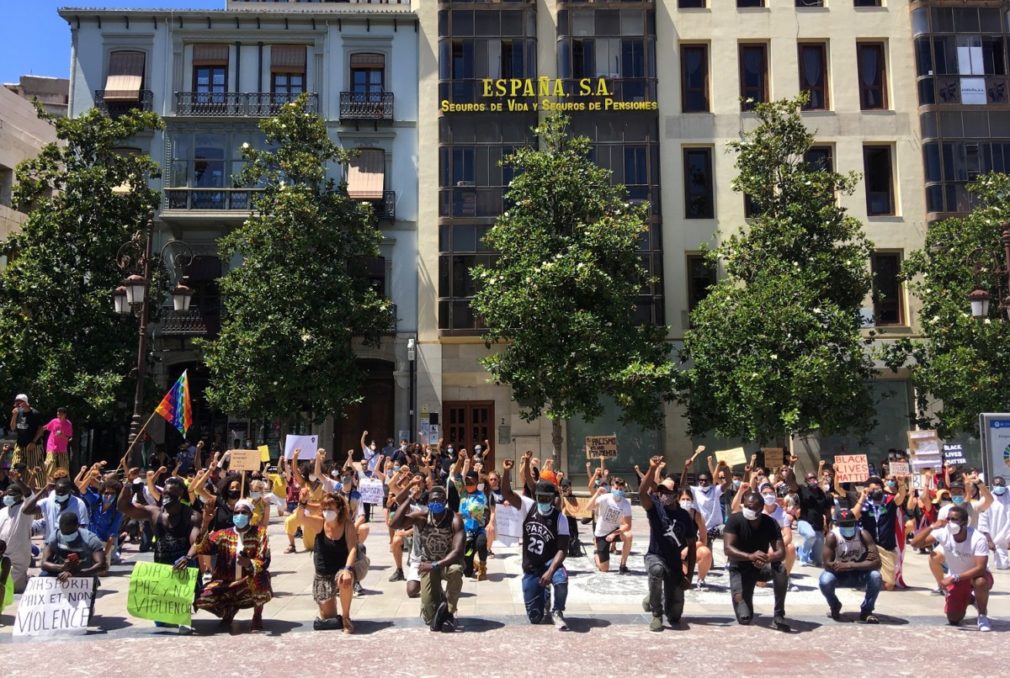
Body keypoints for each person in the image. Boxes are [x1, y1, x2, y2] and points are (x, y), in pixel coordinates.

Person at [499, 459, 569, 630]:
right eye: (540, 498)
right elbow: (507, 494)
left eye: (547, 498)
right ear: (536, 498)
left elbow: (562, 549)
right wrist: (507, 472)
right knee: (535, 618)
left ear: (553, 499)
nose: (543, 501)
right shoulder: (528, 506)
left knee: (561, 579)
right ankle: (543, 597)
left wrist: (550, 571)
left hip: (549, 562)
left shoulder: (560, 518)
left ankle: (557, 611)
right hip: (531, 565)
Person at [391, 479, 465, 632]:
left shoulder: (455, 519)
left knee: (456, 570)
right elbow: (395, 523)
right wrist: (410, 498)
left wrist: (436, 565)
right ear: (428, 501)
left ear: (445, 501)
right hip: (427, 564)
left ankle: (449, 611)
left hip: (446, 563)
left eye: (439, 499)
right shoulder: (422, 517)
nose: (436, 502)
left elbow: (457, 550)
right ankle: (438, 605)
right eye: (433, 500)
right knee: (430, 617)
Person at [910, 505, 993, 631]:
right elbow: (915, 544)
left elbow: (980, 568)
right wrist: (932, 527)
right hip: (957, 579)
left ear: (964, 522)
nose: (950, 522)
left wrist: (953, 578)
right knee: (954, 618)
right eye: (948, 519)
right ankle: (970, 599)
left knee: (980, 581)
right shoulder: (943, 532)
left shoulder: (977, 538)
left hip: (974, 576)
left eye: (954, 519)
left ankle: (982, 615)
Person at [194, 499, 272, 632]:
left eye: (244, 512)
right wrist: (205, 523)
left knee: (261, 580)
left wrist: (249, 564)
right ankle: (228, 612)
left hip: (247, 582)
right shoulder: (223, 534)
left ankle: (257, 615)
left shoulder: (260, 533)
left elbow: (264, 559)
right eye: (237, 512)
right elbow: (202, 548)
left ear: (251, 515)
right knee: (201, 598)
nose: (239, 515)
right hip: (225, 582)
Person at [639, 457, 694, 631]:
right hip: (655, 556)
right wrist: (651, 468)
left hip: (675, 563)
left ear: (676, 494)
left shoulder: (685, 516)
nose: (663, 494)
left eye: (667, 491)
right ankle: (656, 613)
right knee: (657, 570)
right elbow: (642, 493)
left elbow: (692, 546)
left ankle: (653, 596)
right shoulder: (655, 507)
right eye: (660, 490)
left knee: (676, 615)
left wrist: (689, 576)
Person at [723, 491, 790, 631]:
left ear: (760, 509)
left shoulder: (770, 522)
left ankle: (779, 615)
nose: (747, 509)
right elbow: (728, 549)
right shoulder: (734, 520)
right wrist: (750, 556)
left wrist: (766, 558)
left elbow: (781, 552)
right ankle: (744, 599)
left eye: (751, 507)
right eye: (746, 505)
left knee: (781, 569)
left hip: (761, 566)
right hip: (739, 568)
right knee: (745, 618)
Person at [296, 490, 357, 633]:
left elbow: (353, 548)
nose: (327, 512)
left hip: (341, 569)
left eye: (330, 508)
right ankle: (334, 611)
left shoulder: (347, 525)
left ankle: (346, 618)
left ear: (339, 509)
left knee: (344, 580)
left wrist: (347, 569)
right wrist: (302, 503)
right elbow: (301, 519)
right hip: (323, 573)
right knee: (328, 617)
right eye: (324, 509)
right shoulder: (320, 523)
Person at [39, 511, 106, 622]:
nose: (66, 535)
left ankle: (89, 605)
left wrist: (74, 574)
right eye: (63, 532)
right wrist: (61, 568)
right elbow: (44, 563)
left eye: (69, 532)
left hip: (85, 574)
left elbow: (102, 565)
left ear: (77, 526)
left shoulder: (90, 539)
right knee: (43, 575)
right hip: (61, 571)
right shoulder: (55, 535)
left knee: (83, 620)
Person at [819, 508, 882, 624]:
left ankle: (867, 610)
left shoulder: (863, 534)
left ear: (855, 522)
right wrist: (863, 563)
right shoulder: (832, 536)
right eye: (844, 524)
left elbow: (877, 562)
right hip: (839, 575)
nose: (848, 527)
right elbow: (826, 563)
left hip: (859, 574)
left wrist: (849, 565)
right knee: (825, 580)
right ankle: (834, 605)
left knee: (875, 576)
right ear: (837, 524)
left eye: (850, 523)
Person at [852, 475, 907, 591]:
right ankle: (868, 580)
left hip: (886, 546)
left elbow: (901, 497)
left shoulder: (889, 501)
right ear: (867, 489)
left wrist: (901, 484)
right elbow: (854, 516)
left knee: (889, 586)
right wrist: (862, 497)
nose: (876, 491)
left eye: (879, 489)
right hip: (869, 546)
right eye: (873, 489)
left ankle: (875, 583)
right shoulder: (865, 503)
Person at [680, 452, 731, 542]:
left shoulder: (715, 490)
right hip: (702, 528)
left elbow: (727, 483)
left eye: (705, 480)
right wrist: (686, 468)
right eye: (700, 480)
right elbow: (683, 485)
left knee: (731, 533)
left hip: (717, 527)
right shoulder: (695, 491)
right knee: (706, 552)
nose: (703, 482)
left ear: (710, 481)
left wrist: (725, 468)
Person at [27, 475, 89, 542]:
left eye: (62, 494)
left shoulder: (79, 504)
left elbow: (83, 527)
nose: (60, 495)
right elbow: (27, 510)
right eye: (58, 493)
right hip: (51, 544)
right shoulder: (50, 500)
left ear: (70, 491)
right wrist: (44, 490)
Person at [591, 476, 633, 573]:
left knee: (629, 535)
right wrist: (597, 493)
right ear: (611, 487)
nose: (618, 490)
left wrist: (614, 534)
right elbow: (589, 508)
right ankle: (597, 555)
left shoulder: (625, 503)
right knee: (604, 569)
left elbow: (628, 525)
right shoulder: (604, 498)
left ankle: (623, 565)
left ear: (624, 489)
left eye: (621, 489)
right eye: (616, 488)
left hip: (614, 531)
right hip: (601, 533)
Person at [0, 474, 34, 592]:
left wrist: (18, 480)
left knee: (15, 589)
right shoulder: (3, 511)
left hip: (18, 558)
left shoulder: (26, 509)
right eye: (7, 494)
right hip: (2, 556)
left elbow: (29, 494)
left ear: (20, 496)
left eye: (12, 494)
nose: (7, 497)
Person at [796, 462, 834, 566]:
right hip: (804, 522)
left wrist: (829, 526)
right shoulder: (803, 490)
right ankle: (802, 556)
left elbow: (828, 512)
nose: (813, 480)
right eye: (810, 478)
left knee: (818, 560)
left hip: (818, 526)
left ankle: (801, 550)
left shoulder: (825, 495)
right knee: (810, 535)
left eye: (814, 477)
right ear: (806, 481)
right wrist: (791, 466)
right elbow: (791, 483)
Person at [456, 469, 489, 580]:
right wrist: (461, 461)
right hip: (466, 533)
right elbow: (455, 478)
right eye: (467, 483)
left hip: (478, 530)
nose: (469, 485)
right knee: (467, 573)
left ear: (477, 483)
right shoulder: (463, 493)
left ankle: (483, 566)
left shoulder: (481, 496)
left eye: (472, 483)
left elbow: (471, 512)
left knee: (481, 543)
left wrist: (454, 515)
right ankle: (472, 563)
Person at [9, 395, 44, 488]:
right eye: (16, 402)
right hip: (20, 444)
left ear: (25, 402)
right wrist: (14, 415)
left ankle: (37, 489)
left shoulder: (35, 413)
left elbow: (40, 429)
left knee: (32, 468)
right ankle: (16, 488)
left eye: (19, 402)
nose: (17, 404)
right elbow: (12, 428)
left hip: (33, 445)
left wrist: (33, 442)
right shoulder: (17, 413)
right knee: (15, 466)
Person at [979, 475, 1010, 570]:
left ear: (1005, 485)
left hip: (1008, 533)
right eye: (997, 484)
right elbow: (982, 522)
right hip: (995, 536)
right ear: (992, 485)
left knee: (1003, 566)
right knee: (999, 566)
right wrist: (989, 540)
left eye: (1001, 484)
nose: (999, 486)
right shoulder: (986, 499)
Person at [42, 407, 73, 476]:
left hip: (62, 448)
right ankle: (48, 483)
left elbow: (69, 438)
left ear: (65, 415)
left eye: (60, 415)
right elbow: (46, 427)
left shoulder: (68, 424)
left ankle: (64, 484)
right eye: (58, 414)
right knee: (50, 463)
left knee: (64, 468)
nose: (59, 416)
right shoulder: (54, 421)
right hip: (51, 446)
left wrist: (62, 435)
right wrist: (37, 430)